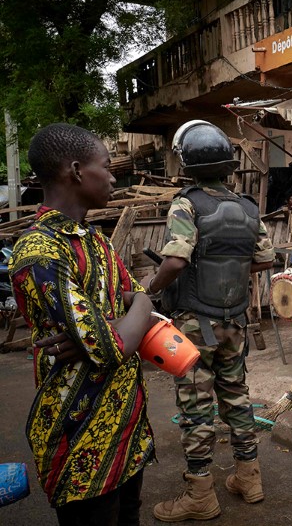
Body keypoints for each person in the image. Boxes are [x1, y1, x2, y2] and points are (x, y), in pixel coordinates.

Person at [10, 123, 156, 524]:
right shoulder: (40, 252)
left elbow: (134, 300)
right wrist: (134, 312)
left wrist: (126, 312)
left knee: (130, 516)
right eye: (106, 167)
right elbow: (114, 347)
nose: (112, 176)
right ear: (75, 171)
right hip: (79, 438)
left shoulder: (96, 241)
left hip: (127, 425)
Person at [143, 120, 274, 522]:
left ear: (187, 164)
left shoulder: (186, 204)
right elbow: (266, 259)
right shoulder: (250, 207)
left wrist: (149, 286)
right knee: (236, 397)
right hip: (235, 321)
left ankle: (200, 494)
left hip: (195, 324)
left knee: (197, 407)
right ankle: (249, 479)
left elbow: (177, 260)